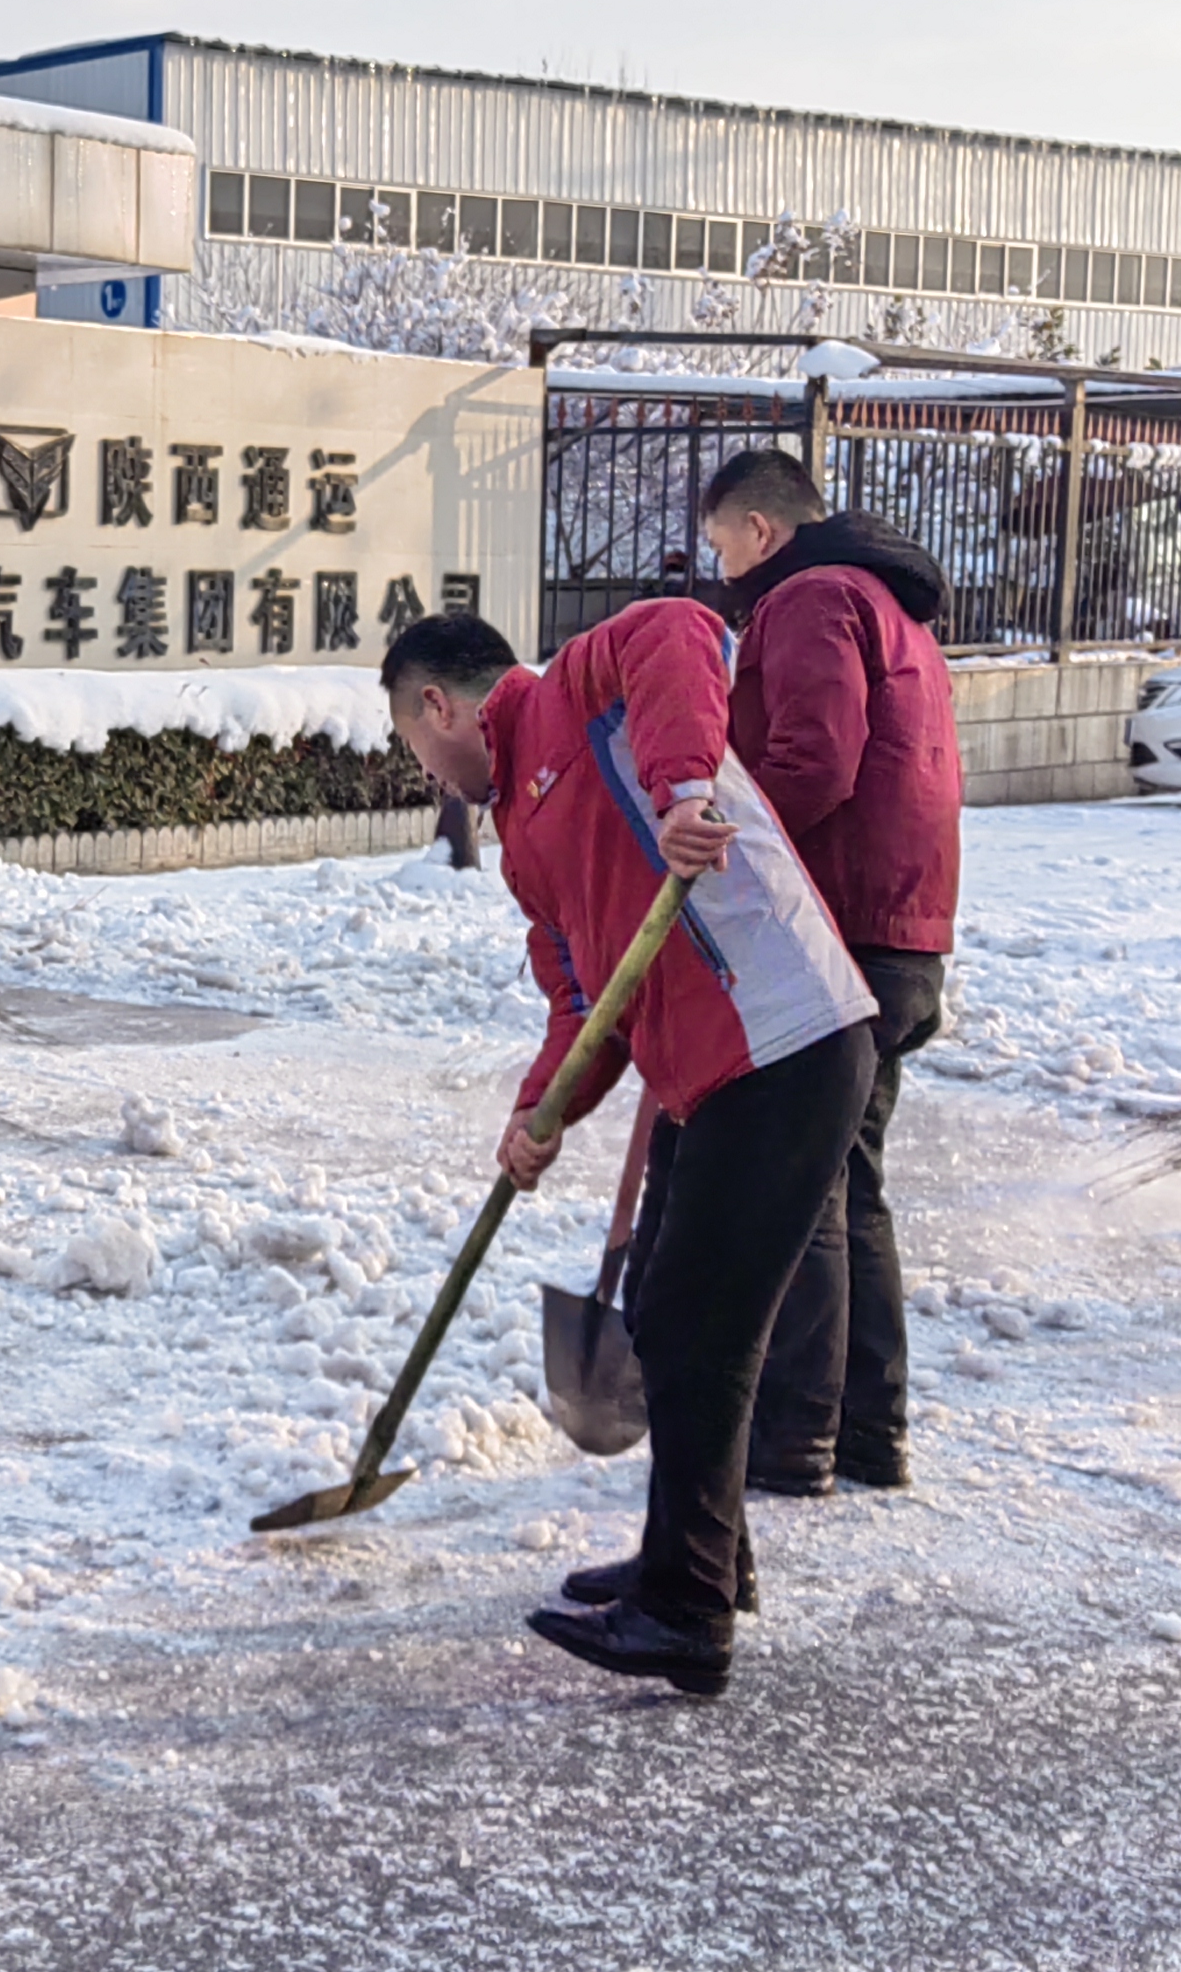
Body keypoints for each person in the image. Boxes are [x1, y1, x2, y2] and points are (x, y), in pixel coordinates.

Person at [382, 605, 877, 1699]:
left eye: (417, 749)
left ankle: (688, 1613)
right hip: (707, 1076)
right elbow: (580, 1002)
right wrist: (539, 1114)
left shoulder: (578, 689)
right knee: (665, 1313)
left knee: (703, 1328)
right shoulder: (522, 838)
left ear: (436, 705)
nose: (428, 772)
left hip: (786, 1036)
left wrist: (681, 793)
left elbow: (682, 633)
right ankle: (693, 1556)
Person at [688, 448, 963, 1495]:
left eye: (720, 544)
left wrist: (712, 846)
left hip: (845, 924)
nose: (718, 569)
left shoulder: (809, 599)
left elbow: (813, 762)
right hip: (903, 923)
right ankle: (863, 1429)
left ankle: (798, 1434)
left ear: (760, 530)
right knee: (847, 1183)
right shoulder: (890, 605)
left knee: (803, 1186)